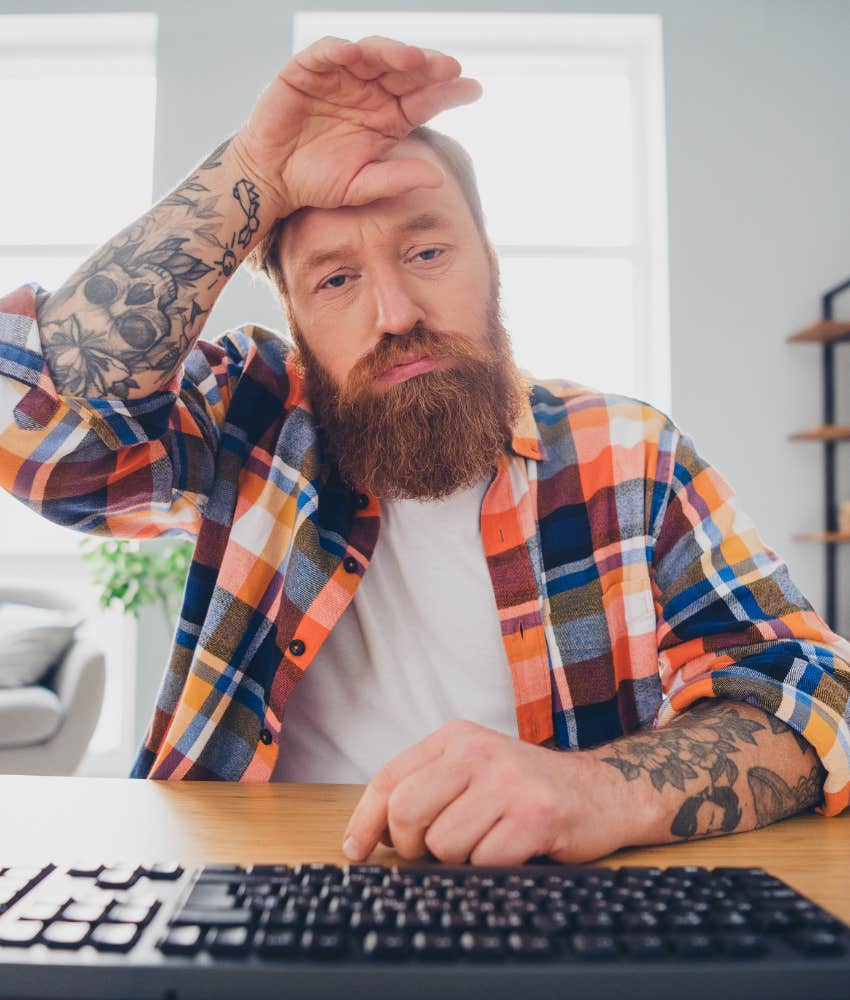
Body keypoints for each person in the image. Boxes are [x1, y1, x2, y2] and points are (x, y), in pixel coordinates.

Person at [1, 35, 848, 867]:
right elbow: (40, 427)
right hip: (248, 892)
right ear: (295, 323)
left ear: (490, 261)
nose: (395, 311)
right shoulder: (246, 418)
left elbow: (815, 692)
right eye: (336, 279)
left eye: (428, 251)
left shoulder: (631, 454)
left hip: (546, 906)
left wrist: (600, 790)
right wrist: (253, 174)